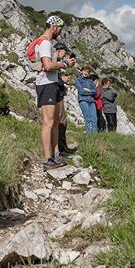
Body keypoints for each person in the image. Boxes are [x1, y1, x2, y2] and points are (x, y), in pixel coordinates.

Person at [33, 18, 75, 170]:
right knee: (49, 122)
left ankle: (56, 154)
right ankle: (47, 158)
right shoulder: (44, 43)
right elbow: (48, 65)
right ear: (53, 27)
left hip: (53, 83)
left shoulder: (48, 44)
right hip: (46, 84)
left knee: (55, 121)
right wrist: (65, 64)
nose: (61, 31)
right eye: (59, 28)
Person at [53, 43, 78, 155]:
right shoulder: (55, 61)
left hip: (58, 92)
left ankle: (61, 146)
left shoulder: (57, 62)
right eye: (64, 51)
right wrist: (61, 78)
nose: (65, 54)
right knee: (61, 121)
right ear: (59, 50)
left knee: (62, 120)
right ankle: (60, 148)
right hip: (55, 94)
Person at [75, 66, 99, 134]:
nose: (86, 73)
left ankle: (95, 135)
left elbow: (95, 92)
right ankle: (88, 134)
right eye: (85, 71)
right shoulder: (78, 80)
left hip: (91, 100)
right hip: (83, 100)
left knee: (94, 118)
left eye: (88, 72)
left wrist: (88, 90)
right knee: (87, 118)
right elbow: (81, 92)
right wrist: (91, 91)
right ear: (81, 71)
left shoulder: (90, 80)